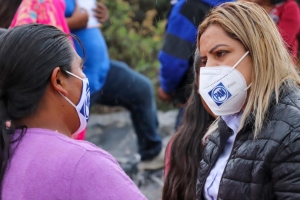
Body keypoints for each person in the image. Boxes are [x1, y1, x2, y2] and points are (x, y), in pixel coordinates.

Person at [163, 2, 300, 200]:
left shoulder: (293, 132)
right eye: (204, 60)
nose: (210, 69)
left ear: (258, 51)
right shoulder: (223, 128)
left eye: (220, 53)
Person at [0, 24, 146, 200]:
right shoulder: (84, 164)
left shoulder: (7, 149)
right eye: (81, 69)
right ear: (59, 80)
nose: (85, 80)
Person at [65, 0, 164, 170]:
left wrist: (100, 16)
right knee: (67, 136)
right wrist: (72, 23)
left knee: (141, 90)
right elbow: (32, 29)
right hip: (73, 80)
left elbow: (87, 20)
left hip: (101, 71)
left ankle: (151, 154)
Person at [158, 0, 233, 129]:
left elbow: (173, 61)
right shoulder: (237, 5)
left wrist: (166, 88)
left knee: (186, 145)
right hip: (232, 96)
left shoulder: (188, 7)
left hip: (194, 101)